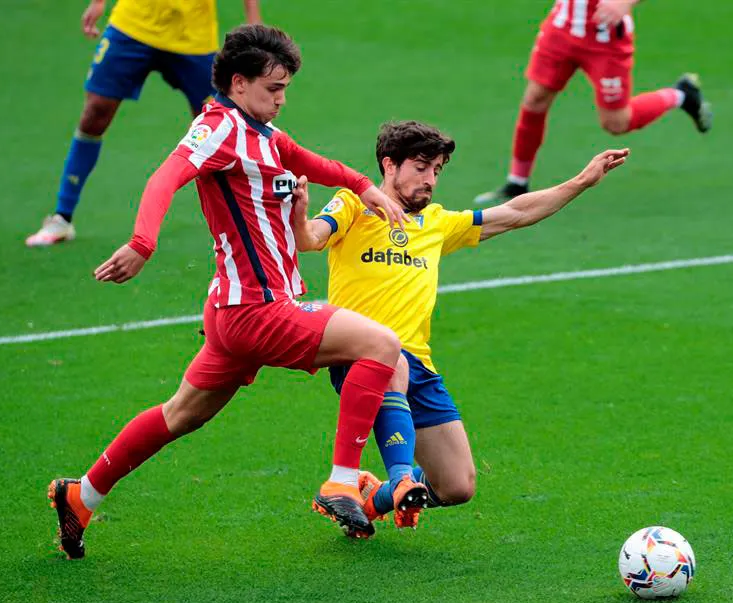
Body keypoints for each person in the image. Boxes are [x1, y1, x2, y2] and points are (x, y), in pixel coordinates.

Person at [48, 25, 412, 559]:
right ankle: (341, 480)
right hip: (256, 309)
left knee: (182, 414)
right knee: (382, 345)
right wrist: (143, 243)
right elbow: (165, 177)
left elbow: (311, 162)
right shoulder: (216, 128)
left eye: (286, 88)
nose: (282, 99)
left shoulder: (261, 131)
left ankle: (81, 495)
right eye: (274, 88)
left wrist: (364, 186)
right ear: (238, 84)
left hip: (236, 310)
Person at [292, 121, 628, 530]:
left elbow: (516, 213)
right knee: (390, 357)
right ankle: (399, 479)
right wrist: (298, 215)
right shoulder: (353, 205)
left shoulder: (436, 222)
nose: (431, 179)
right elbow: (310, 239)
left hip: (419, 364)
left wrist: (581, 181)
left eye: (437, 170)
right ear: (389, 165)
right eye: (421, 167)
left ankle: (373, 497)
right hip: (359, 354)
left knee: (456, 486)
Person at [26, 0, 262, 247]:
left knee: (221, 124)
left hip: (192, 34)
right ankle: (61, 218)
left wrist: (252, 20)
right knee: (96, 111)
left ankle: (247, 220)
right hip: (133, 24)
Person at [474, 0, 709, 206]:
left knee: (616, 123)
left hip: (606, 39)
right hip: (561, 28)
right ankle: (517, 183)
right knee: (535, 100)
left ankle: (681, 95)